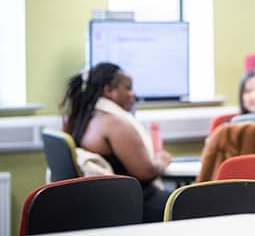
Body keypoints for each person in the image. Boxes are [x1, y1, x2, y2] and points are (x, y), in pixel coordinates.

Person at [60, 62, 173, 222]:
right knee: (189, 205)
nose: (133, 94)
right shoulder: (114, 124)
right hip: (133, 202)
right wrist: (161, 160)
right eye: (128, 88)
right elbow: (145, 172)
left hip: (100, 204)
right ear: (109, 91)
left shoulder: (80, 119)